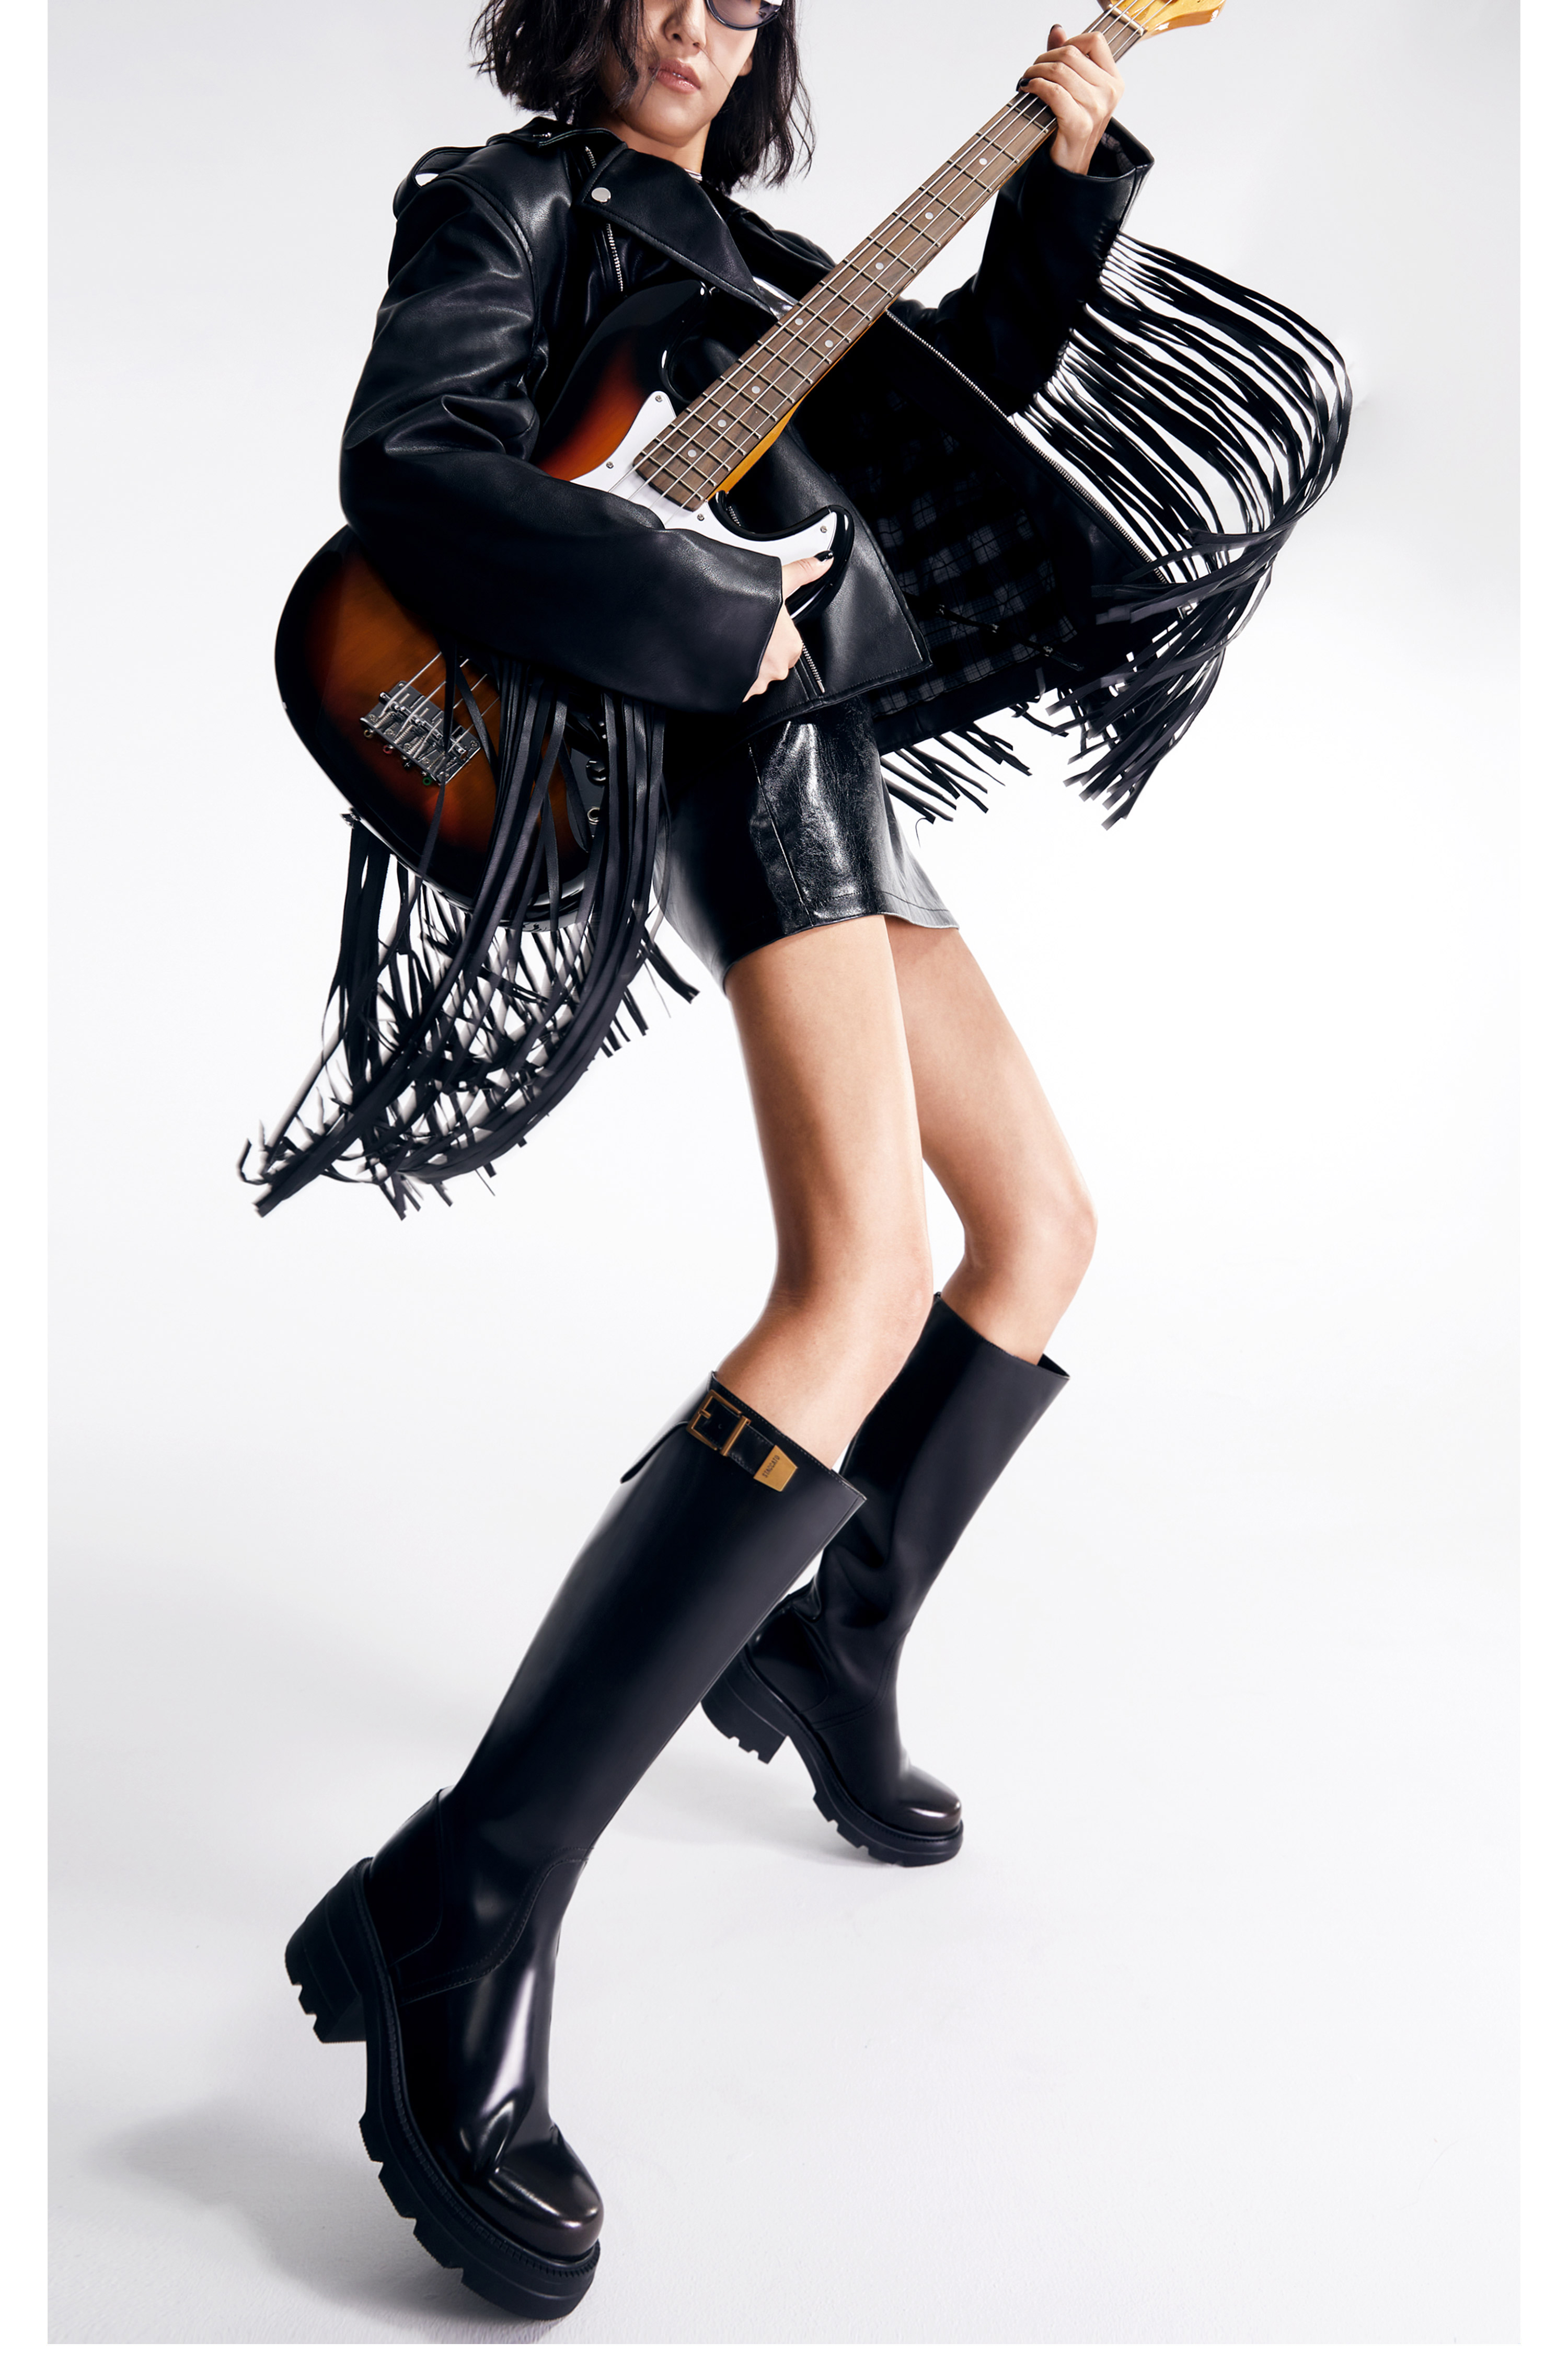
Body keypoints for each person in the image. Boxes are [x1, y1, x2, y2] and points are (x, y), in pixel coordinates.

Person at [278, 0, 1341, 2323]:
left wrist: (1066, 171)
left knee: (1038, 1227)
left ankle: (831, 1638)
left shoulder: (745, 254)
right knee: (852, 1290)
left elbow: (956, 404)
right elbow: (413, 468)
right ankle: (462, 1897)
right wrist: (711, 615)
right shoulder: (512, 201)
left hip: (819, 736)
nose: (700, 21)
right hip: (721, 736)